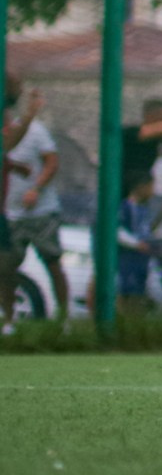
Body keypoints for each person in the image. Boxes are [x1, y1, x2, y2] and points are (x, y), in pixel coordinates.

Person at [3, 76, 65, 327]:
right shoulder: (10, 133)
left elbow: (52, 162)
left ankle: (64, 319)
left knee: (52, 262)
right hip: (12, 214)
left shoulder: (35, 130)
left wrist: (36, 188)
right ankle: (8, 321)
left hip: (41, 213)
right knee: (6, 269)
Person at [115, 172, 162, 316]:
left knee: (139, 293)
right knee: (125, 293)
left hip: (142, 260)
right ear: (141, 187)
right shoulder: (125, 207)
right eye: (151, 187)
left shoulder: (144, 208)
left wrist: (161, 217)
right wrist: (136, 244)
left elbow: (146, 231)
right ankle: (123, 320)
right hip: (128, 259)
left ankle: (135, 321)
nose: (153, 191)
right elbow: (118, 232)